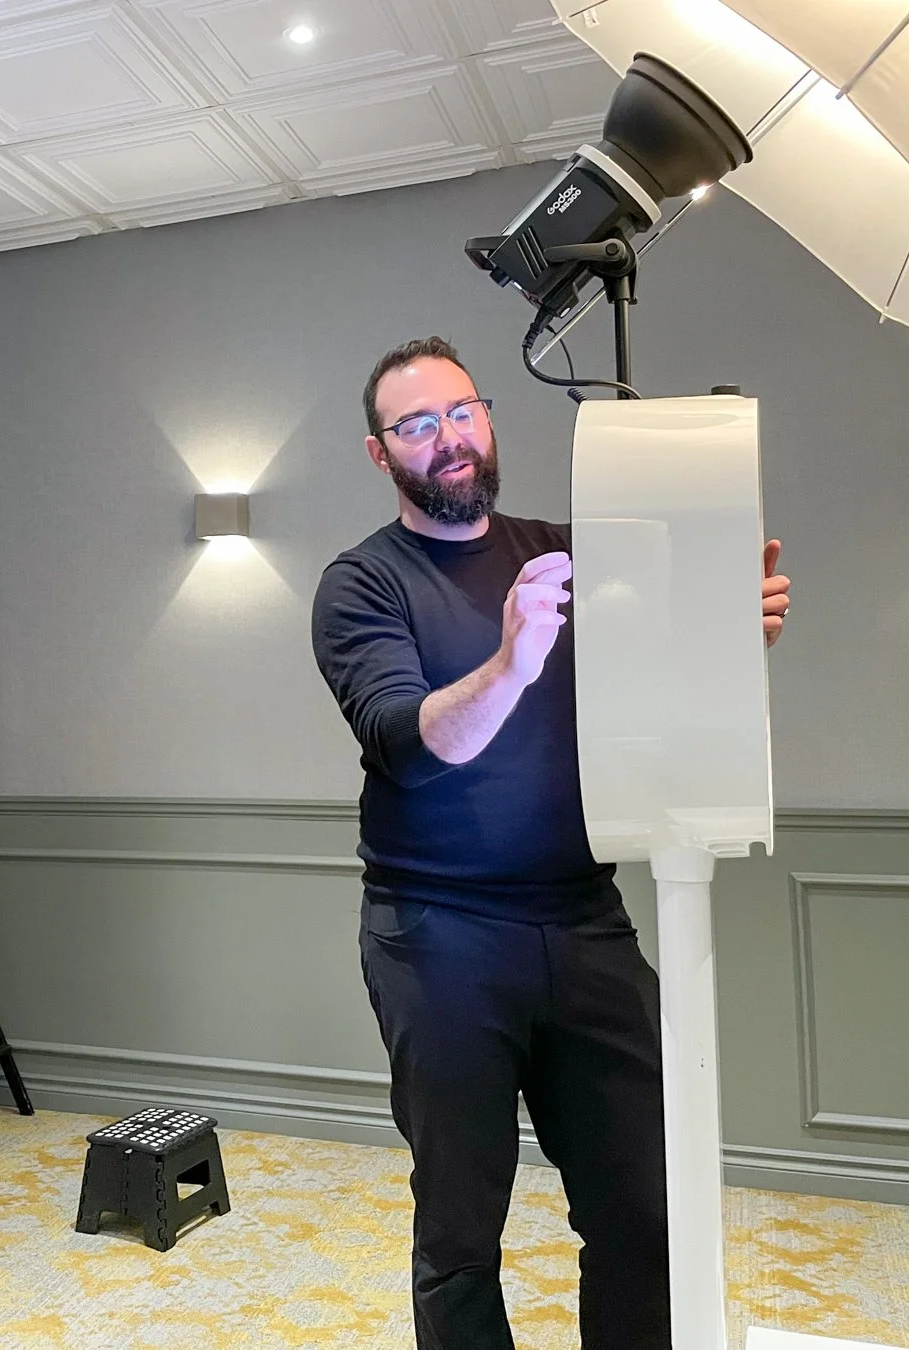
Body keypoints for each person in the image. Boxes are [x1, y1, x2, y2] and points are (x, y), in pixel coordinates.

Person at [310, 337, 791, 1350]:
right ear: (378, 452)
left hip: (584, 920)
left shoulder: (564, 548)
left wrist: (726, 632)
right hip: (438, 936)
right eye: (417, 424)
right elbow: (411, 737)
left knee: (640, 1212)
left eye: (461, 412)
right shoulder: (361, 585)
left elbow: (665, 671)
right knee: (459, 1234)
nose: (447, 439)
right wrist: (510, 660)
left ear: (487, 419)